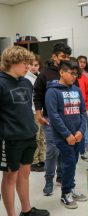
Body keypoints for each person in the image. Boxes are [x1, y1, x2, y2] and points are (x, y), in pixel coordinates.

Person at [0, 46, 50, 216]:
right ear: (12, 62)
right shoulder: (1, 82)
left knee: (25, 173)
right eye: (25, 63)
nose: (28, 67)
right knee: (10, 177)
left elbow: (27, 108)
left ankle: (26, 211)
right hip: (10, 139)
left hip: (28, 135)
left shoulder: (27, 82)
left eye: (29, 63)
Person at [45, 60, 88, 209]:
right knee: (69, 163)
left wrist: (81, 131)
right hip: (63, 137)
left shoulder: (76, 90)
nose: (74, 76)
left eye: (76, 74)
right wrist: (67, 135)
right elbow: (53, 116)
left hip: (77, 136)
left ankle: (70, 187)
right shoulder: (52, 91)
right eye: (71, 73)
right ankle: (65, 194)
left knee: (73, 163)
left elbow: (83, 112)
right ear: (62, 72)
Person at [34, 42, 72, 195]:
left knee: (65, 149)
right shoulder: (45, 74)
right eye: (63, 57)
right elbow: (37, 95)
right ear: (54, 56)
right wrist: (38, 113)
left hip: (67, 119)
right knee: (52, 151)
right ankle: (49, 180)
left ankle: (61, 177)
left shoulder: (69, 73)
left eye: (68, 57)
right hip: (49, 119)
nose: (65, 59)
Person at [25, 54, 46, 172]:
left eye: (36, 65)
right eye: (31, 65)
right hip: (33, 112)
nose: (33, 67)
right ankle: (34, 161)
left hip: (41, 110)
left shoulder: (40, 76)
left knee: (42, 137)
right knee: (35, 137)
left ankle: (41, 158)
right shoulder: (27, 78)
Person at [72, 57, 88, 162]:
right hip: (70, 109)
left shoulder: (83, 78)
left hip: (82, 108)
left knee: (83, 129)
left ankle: (83, 150)